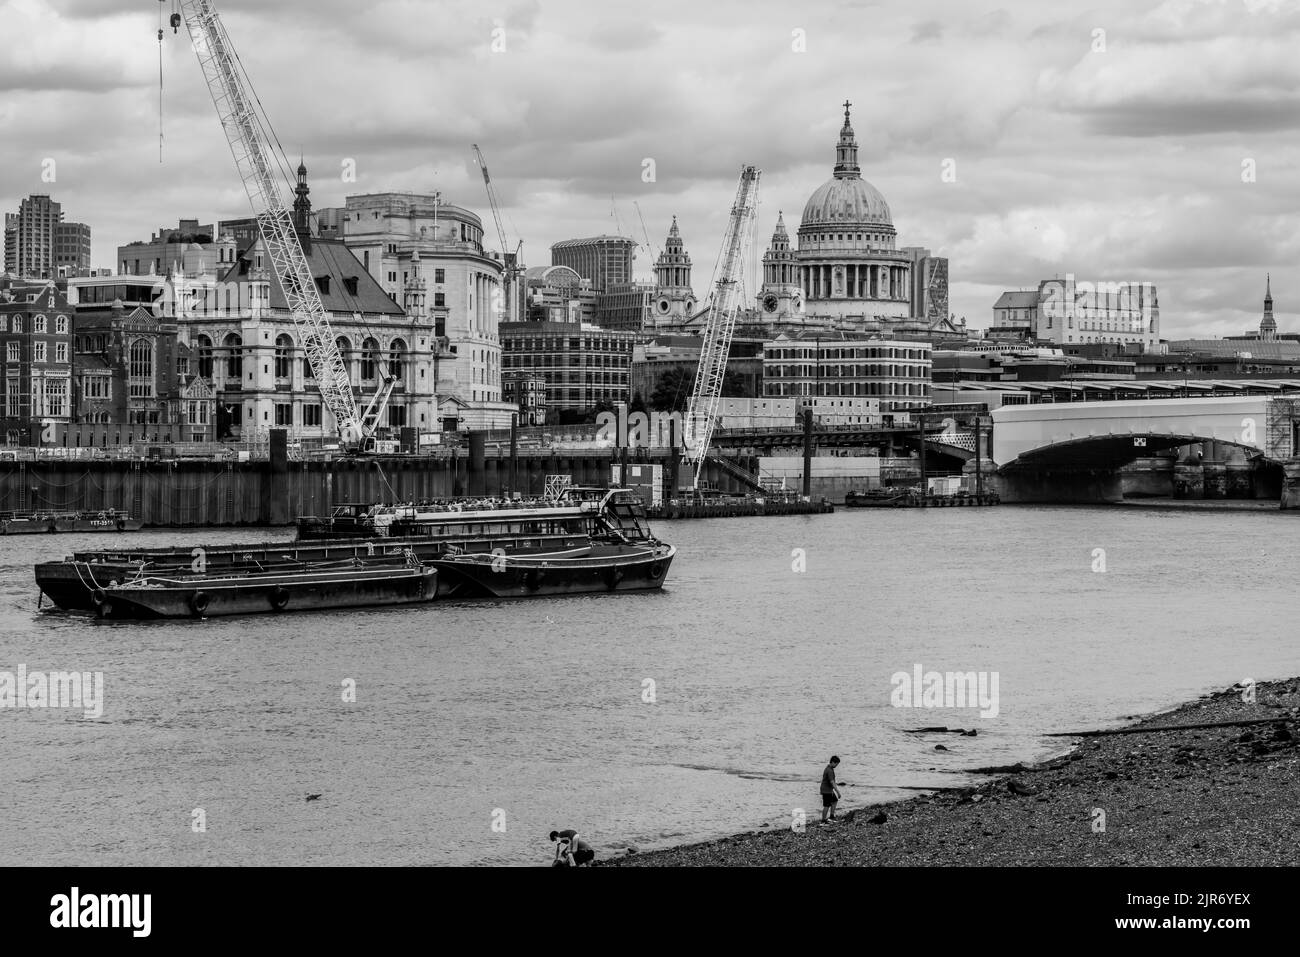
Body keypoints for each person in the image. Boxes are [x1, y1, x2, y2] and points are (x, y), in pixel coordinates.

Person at [820, 755, 842, 826]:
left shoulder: (830, 768)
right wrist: (838, 792)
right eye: (836, 764)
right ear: (832, 762)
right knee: (826, 805)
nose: (836, 765)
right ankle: (823, 821)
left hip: (829, 790)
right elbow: (832, 782)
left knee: (835, 800)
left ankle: (831, 816)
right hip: (826, 790)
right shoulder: (829, 770)